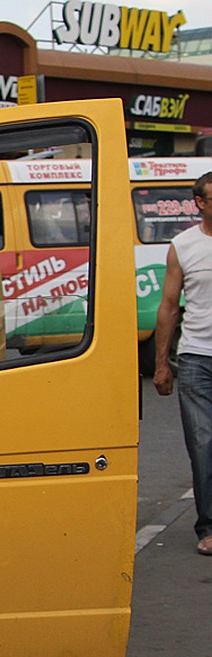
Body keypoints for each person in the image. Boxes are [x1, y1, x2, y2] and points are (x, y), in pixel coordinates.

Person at [153, 171, 212, 557]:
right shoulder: (183, 246)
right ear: (201, 203)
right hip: (196, 360)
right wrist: (162, 364)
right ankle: (209, 527)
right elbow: (169, 307)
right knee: (203, 445)